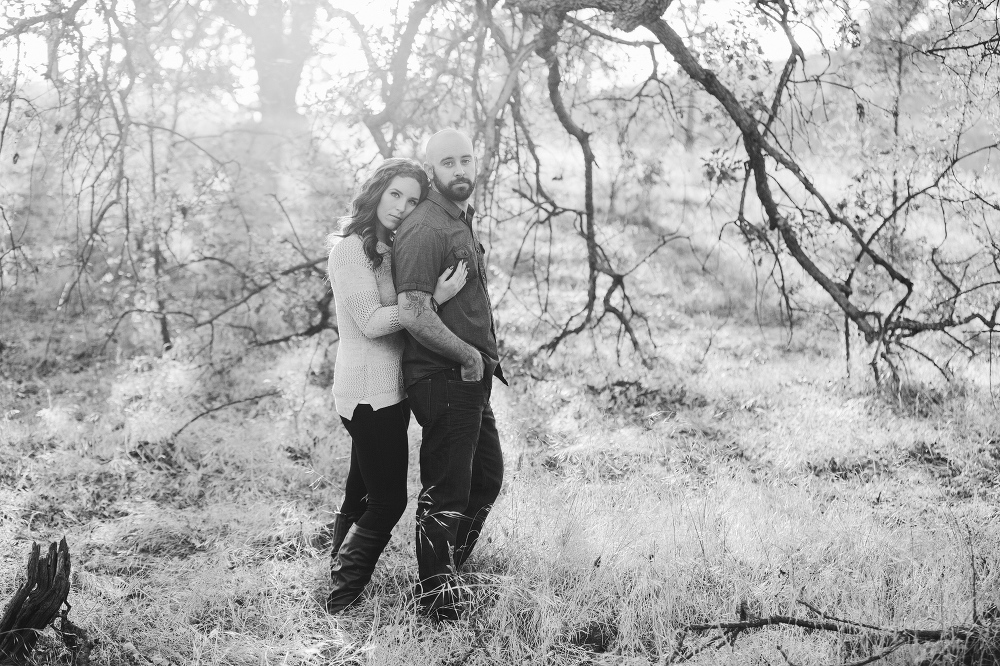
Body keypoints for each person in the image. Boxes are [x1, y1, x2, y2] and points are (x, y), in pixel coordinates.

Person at [324, 157, 468, 614]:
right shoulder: (350, 250)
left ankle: (336, 570)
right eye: (395, 195)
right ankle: (342, 597)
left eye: (412, 199)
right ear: (377, 192)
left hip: (389, 389)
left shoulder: (385, 246)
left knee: (361, 489)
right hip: (368, 393)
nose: (402, 207)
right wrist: (432, 301)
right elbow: (368, 322)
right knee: (388, 502)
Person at [392, 129, 508, 621]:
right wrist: (467, 356)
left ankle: (445, 574)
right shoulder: (425, 229)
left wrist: (479, 362)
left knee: (485, 478)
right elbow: (414, 312)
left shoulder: (457, 219)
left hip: (470, 374)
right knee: (447, 489)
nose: (459, 170)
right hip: (444, 375)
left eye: (465, 159)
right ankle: (437, 603)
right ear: (431, 170)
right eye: (447, 163)